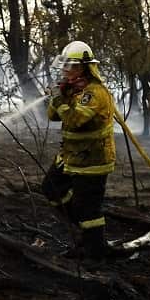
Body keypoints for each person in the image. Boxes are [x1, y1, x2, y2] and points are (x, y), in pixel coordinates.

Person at [41, 40, 117, 260]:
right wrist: (60, 96)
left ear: (85, 67)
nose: (66, 70)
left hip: (93, 161)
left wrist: (59, 99)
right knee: (50, 188)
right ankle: (90, 236)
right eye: (64, 66)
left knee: (89, 211)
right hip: (71, 157)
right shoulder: (76, 90)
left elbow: (75, 120)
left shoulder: (94, 93)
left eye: (70, 66)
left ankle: (95, 254)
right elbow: (53, 116)